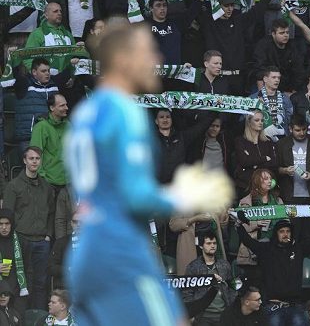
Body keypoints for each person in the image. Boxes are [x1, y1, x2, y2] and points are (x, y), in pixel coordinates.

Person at [64, 23, 233, 324]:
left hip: (87, 251)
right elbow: (135, 195)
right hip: (121, 248)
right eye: (147, 52)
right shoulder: (125, 114)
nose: (156, 60)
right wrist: (185, 194)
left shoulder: (87, 112)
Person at [237, 217, 310, 326]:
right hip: (273, 305)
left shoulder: (299, 249)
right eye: (282, 231)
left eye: (288, 231)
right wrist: (238, 225)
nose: (285, 234)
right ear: (276, 234)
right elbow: (248, 241)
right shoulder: (266, 249)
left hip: (295, 305)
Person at [3, 147, 54, 310]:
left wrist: (48, 235)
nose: (34, 161)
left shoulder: (46, 186)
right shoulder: (13, 185)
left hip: (41, 241)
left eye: (37, 158)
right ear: (24, 160)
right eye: (31, 158)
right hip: (21, 239)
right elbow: (7, 215)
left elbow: (51, 212)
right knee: (21, 282)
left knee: (41, 282)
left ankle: (38, 317)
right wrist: (13, 237)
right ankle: (19, 317)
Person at [14, 58, 76, 154]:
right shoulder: (24, 84)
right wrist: (14, 58)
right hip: (29, 137)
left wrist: (72, 62)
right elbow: (15, 75)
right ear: (34, 72)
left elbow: (65, 74)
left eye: (48, 71)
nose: (47, 73)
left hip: (50, 136)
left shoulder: (54, 83)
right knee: (32, 167)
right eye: (43, 71)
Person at [182, 231, 235, 326]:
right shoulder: (193, 267)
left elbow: (232, 287)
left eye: (214, 243)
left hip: (223, 314)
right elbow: (187, 293)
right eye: (208, 243)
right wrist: (191, 313)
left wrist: (231, 308)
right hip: (202, 316)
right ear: (201, 246)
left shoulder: (225, 265)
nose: (212, 246)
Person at [276, 114, 310, 206]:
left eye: (304, 129)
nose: (302, 133)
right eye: (298, 130)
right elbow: (275, 167)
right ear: (290, 129)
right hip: (289, 194)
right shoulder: (281, 144)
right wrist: (284, 170)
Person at [29, 93, 69, 194]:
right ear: (52, 107)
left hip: (69, 183)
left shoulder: (69, 126)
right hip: (49, 184)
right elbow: (34, 155)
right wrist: (42, 179)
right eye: (62, 105)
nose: (66, 108)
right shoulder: (41, 127)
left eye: (66, 105)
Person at [253, 20, 306, 93]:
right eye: (281, 33)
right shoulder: (263, 46)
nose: (286, 35)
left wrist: (293, 92)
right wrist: (262, 94)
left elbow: (299, 71)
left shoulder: (293, 47)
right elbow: (259, 70)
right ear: (273, 34)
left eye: (287, 32)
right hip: (267, 84)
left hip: (288, 86)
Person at [233, 110, 278, 195]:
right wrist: (265, 158)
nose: (260, 123)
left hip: (266, 188)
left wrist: (254, 165)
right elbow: (244, 161)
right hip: (246, 187)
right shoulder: (240, 141)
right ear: (249, 122)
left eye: (262, 120)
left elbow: (274, 163)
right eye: (257, 120)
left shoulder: (268, 141)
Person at [146, 0, 201, 65]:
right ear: (151, 8)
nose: (162, 8)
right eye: (158, 5)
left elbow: (193, 11)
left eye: (164, 5)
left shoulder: (176, 23)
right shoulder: (145, 26)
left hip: (174, 72)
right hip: (153, 72)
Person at [0, 209, 27, 316]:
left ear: (12, 224)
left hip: (17, 291)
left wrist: (25, 289)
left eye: (7, 223)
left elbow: (28, 268)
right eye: (0, 224)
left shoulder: (21, 241)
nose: (4, 227)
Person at [48, 211, 79, 290]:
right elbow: (51, 268)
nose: (79, 225)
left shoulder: (94, 244)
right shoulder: (61, 242)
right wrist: (68, 269)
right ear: (71, 223)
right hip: (65, 288)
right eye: (75, 222)